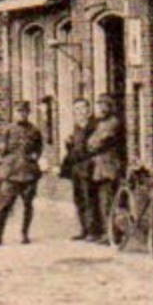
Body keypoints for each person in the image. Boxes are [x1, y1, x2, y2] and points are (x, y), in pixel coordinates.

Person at [0, 101, 44, 246]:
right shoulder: (8, 130)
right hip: (11, 173)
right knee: (5, 205)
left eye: (24, 111)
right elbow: (1, 150)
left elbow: (39, 148)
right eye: (19, 111)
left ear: (28, 113)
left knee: (28, 204)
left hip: (29, 172)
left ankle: (25, 234)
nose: (22, 114)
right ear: (14, 113)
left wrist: (35, 156)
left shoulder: (34, 130)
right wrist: (7, 160)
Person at [86, 95, 126, 243]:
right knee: (104, 201)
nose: (101, 108)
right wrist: (92, 144)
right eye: (99, 105)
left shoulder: (113, 123)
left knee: (108, 201)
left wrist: (93, 144)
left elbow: (98, 142)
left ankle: (112, 234)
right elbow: (90, 142)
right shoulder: (101, 123)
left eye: (104, 105)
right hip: (101, 166)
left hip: (109, 166)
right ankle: (109, 231)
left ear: (110, 107)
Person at [58, 100, 97, 240]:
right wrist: (69, 144)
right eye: (76, 110)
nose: (80, 112)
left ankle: (93, 231)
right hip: (77, 168)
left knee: (89, 199)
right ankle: (84, 230)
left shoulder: (93, 126)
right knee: (78, 199)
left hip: (88, 168)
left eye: (82, 109)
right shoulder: (77, 128)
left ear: (88, 110)